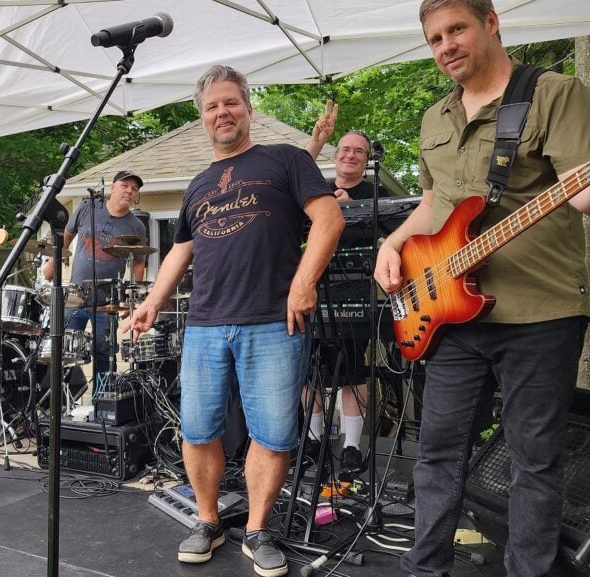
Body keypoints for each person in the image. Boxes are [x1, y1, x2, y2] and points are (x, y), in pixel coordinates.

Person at [372, 2, 590, 576]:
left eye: (457, 29)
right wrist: (391, 243)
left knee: (534, 463)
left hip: (539, 313)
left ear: (491, 22)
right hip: (449, 313)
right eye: (434, 38)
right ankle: (425, 569)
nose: (446, 46)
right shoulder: (433, 118)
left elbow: (584, 193)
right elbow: (434, 206)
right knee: (438, 455)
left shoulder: (554, 93)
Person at [123, 64, 344, 577]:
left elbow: (329, 217)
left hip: (272, 318)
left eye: (230, 102)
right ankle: (207, 520)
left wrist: (304, 280)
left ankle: (258, 529)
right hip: (203, 323)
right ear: (202, 118)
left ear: (247, 107)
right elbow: (181, 248)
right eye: (211, 107)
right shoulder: (199, 184)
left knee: (271, 434)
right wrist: (154, 299)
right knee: (198, 430)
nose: (222, 113)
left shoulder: (286, 160)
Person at [302, 103, 387, 477]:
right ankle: (315, 440)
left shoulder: (376, 192)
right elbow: (294, 172)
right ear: (335, 156)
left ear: (366, 160)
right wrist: (318, 138)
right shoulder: (316, 190)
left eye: (358, 151)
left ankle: (352, 447)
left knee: (353, 372)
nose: (350, 155)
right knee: (310, 373)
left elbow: (390, 231)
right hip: (313, 291)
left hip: (355, 292)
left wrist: (352, 211)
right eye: (345, 149)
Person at [42, 171, 147, 381]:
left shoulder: (136, 225)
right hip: (74, 297)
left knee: (104, 355)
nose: (129, 191)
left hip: (106, 303)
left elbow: (138, 262)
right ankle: (62, 405)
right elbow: (66, 236)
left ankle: (102, 405)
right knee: (64, 351)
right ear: (112, 187)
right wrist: (53, 263)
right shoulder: (87, 207)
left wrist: (133, 300)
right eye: (125, 185)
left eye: (134, 189)